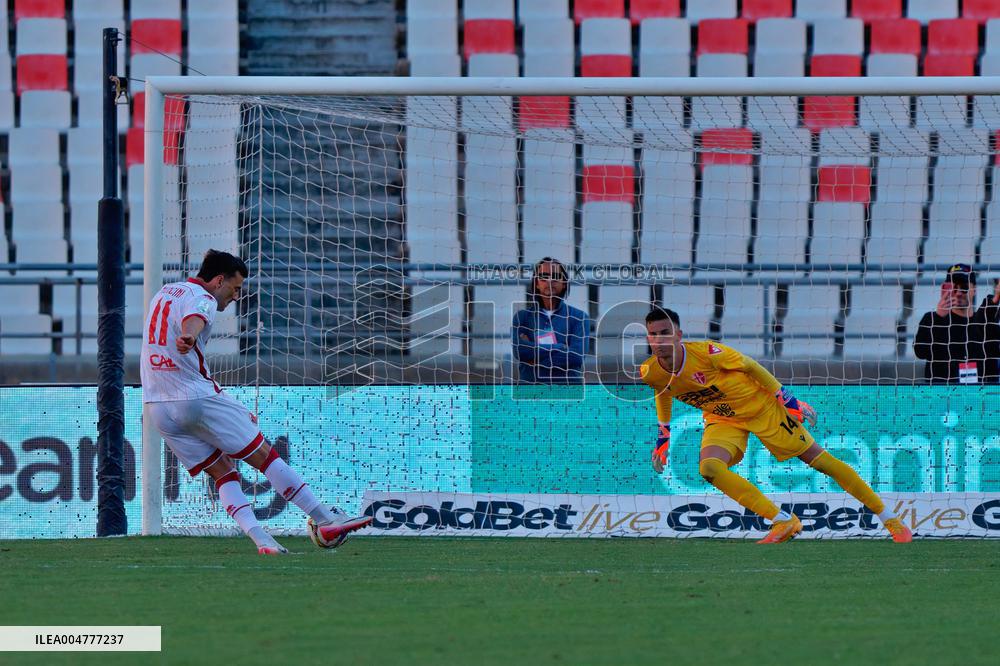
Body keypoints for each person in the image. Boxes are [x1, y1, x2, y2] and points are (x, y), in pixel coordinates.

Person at [141, 249, 372, 554]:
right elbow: (194, 318)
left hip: (157, 407)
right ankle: (324, 519)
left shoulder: (165, 292)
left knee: (223, 472)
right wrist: (189, 336)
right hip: (193, 397)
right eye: (235, 288)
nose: (236, 296)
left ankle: (263, 541)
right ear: (219, 280)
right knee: (264, 456)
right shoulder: (204, 297)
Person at [640, 306, 912, 543]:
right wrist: (664, 434)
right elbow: (662, 390)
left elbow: (751, 366)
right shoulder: (650, 371)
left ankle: (890, 520)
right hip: (723, 418)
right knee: (709, 468)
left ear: (678, 335)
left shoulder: (708, 353)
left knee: (821, 462)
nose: (659, 340)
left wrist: (787, 399)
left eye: (665, 332)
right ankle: (782, 520)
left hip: (763, 409)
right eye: (653, 334)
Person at [913, 263, 1000, 384]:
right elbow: (920, 351)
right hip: (942, 397)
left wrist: (994, 301)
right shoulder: (932, 319)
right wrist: (939, 317)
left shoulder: (985, 323)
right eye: (954, 287)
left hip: (979, 398)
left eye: (964, 287)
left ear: (974, 289)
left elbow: (991, 344)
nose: (958, 292)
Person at [512, 257, 589, 383]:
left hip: (568, 392)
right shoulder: (522, 317)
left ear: (564, 283)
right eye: (544, 276)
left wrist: (535, 358)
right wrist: (561, 347)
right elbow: (520, 352)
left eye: (555, 276)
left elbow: (576, 357)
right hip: (531, 392)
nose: (549, 281)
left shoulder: (579, 317)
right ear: (536, 283)